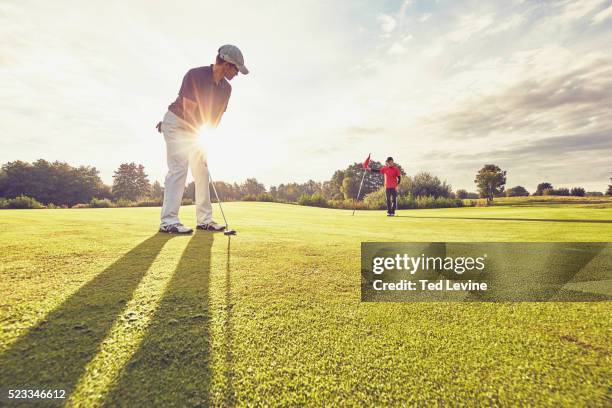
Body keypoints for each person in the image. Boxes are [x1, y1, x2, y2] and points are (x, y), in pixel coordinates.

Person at [156, 45, 249, 234]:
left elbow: (214, 120)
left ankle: (204, 220)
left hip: (195, 129)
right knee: (179, 167)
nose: (237, 74)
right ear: (227, 64)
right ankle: (168, 221)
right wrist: (197, 140)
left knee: (202, 171)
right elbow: (189, 112)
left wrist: (205, 143)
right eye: (236, 69)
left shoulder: (226, 89)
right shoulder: (195, 75)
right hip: (177, 124)